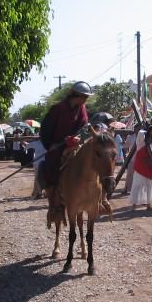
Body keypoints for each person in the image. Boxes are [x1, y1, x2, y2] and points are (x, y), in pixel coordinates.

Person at [40, 81, 92, 217]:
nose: (84, 100)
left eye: (86, 97)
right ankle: (53, 202)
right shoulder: (57, 109)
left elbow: (84, 126)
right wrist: (50, 145)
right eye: (83, 97)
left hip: (75, 144)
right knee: (51, 167)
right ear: (75, 95)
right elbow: (45, 130)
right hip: (57, 146)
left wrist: (77, 137)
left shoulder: (82, 108)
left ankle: (99, 198)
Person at [128, 125, 152, 210]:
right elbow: (141, 133)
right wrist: (144, 126)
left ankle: (149, 204)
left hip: (150, 165)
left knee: (150, 185)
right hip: (141, 164)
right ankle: (134, 205)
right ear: (148, 131)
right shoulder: (141, 137)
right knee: (137, 185)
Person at [25, 131, 46, 199]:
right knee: (37, 178)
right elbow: (27, 146)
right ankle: (37, 193)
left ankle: (44, 192)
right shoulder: (36, 143)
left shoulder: (47, 143)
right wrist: (22, 141)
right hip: (37, 163)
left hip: (45, 163)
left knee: (44, 178)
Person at [122, 123, 141, 195]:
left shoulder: (143, 137)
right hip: (132, 158)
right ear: (135, 129)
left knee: (139, 175)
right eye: (137, 128)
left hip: (140, 159)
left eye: (139, 129)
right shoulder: (131, 137)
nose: (138, 130)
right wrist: (127, 153)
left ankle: (137, 189)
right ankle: (126, 188)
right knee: (130, 174)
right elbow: (125, 146)